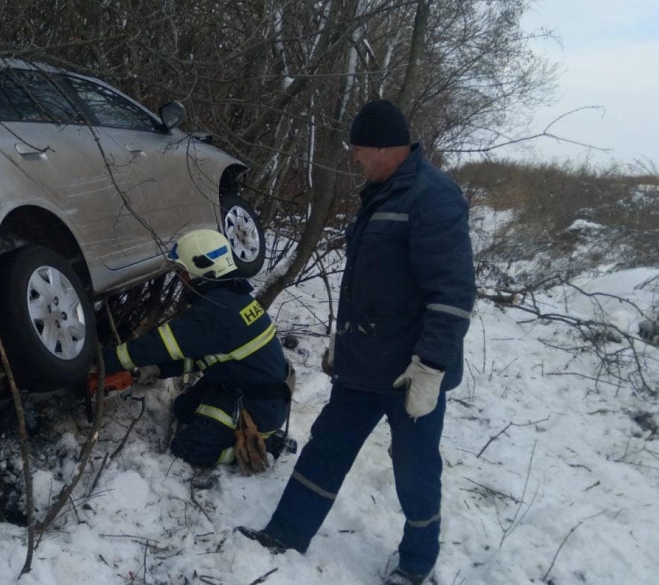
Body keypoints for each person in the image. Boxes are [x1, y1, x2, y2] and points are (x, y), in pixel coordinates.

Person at [238, 100, 475, 585]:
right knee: (326, 447)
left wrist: (431, 366)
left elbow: (451, 294)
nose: (356, 159)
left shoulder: (434, 198)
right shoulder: (384, 193)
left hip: (412, 373)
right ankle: (285, 533)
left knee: (415, 470)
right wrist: (342, 342)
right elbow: (370, 285)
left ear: (387, 149)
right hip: (364, 364)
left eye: (360, 150)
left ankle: (416, 563)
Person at [97, 229, 292, 471]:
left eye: (184, 272)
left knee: (188, 450)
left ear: (204, 270)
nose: (182, 279)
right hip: (240, 385)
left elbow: (159, 344)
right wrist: (150, 370)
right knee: (182, 410)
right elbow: (201, 357)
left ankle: (266, 443)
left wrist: (105, 361)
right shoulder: (233, 299)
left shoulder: (214, 313)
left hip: (255, 405)